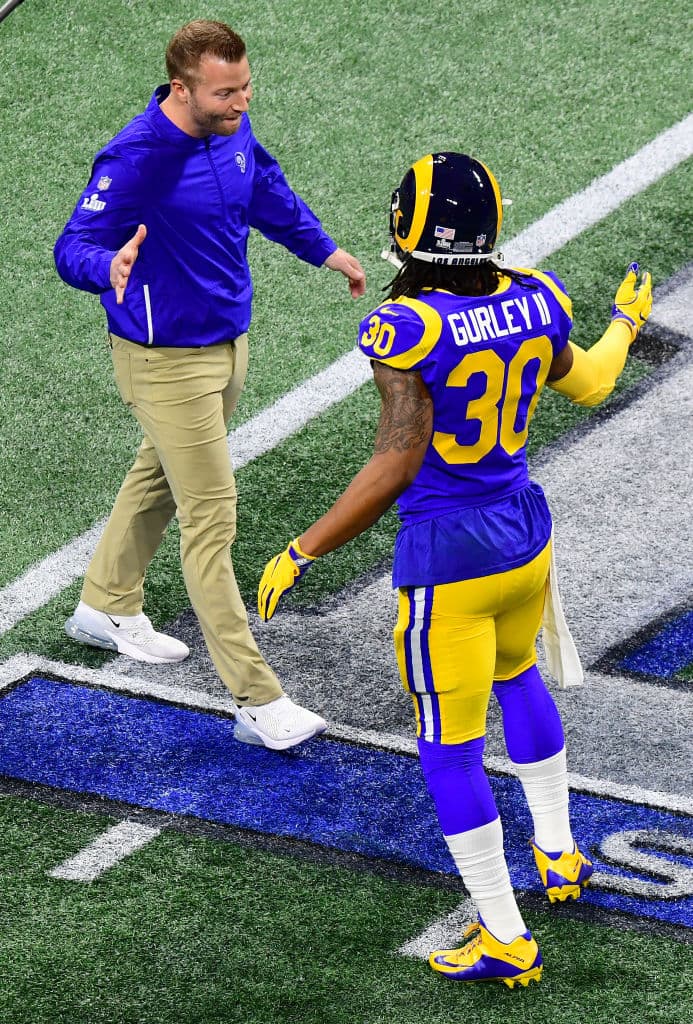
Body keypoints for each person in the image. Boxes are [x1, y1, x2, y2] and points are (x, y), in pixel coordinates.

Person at [257, 152, 652, 984]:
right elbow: (589, 383)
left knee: (449, 752)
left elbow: (395, 462)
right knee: (518, 678)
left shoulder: (404, 328)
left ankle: (506, 938)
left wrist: (304, 548)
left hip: (449, 557)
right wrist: (624, 322)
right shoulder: (537, 298)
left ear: (406, 228)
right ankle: (559, 853)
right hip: (523, 536)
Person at [53, 19, 365, 751]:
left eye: (245, 85)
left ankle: (105, 603)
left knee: (158, 472)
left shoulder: (234, 127)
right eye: (225, 90)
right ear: (182, 87)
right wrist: (108, 270)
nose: (241, 99)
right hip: (164, 360)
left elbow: (266, 190)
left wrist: (324, 251)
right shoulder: (136, 158)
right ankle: (258, 701)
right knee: (212, 518)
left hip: (227, 342)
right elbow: (73, 245)